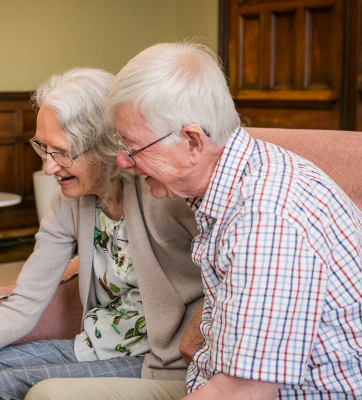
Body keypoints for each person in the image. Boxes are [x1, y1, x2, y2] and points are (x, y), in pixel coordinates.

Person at [0, 67, 203, 400]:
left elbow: (234, 263)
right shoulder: (69, 201)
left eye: (61, 151)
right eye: (42, 148)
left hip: (154, 360)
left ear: (104, 144)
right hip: (94, 346)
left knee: (3, 384)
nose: (48, 167)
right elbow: (24, 303)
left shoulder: (163, 192)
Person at [87, 41, 361, 399]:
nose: (123, 162)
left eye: (133, 148)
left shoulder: (268, 220)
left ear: (193, 141)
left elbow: (242, 393)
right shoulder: (241, 172)